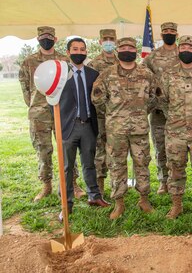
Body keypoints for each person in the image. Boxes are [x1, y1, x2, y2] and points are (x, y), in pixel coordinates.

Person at [92, 37, 156, 220]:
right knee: (116, 165)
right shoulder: (106, 74)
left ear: (135, 51)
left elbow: (155, 97)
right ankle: (119, 203)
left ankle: (144, 199)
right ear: (118, 51)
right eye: (123, 47)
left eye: (130, 47)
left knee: (142, 163)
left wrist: (141, 112)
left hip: (140, 129)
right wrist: (114, 114)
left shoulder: (146, 74)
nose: (126, 50)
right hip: (116, 131)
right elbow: (97, 100)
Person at [18, 26, 84, 202]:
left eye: (49, 36)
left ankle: (73, 184)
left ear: (55, 39)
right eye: (42, 36)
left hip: (62, 112)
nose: (45, 39)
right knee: (43, 150)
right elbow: (26, 88)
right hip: (39, 114)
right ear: (37, 39)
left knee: (67, 148)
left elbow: (72, 85)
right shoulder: (29, 62)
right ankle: (46, 185)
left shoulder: (64, 61)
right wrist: (35, 105)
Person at [158, 35, 192, 221]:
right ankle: (176, 205)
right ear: (178, 50)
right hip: (175, 132)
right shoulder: (168, 75)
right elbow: (162, 101)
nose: (186, 51)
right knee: (175, 169)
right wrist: (175, 117)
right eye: (183, 47)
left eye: (191, 48)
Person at [59, 37, 110, 221]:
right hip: (68, 127)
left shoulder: (92, 74)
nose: (79, 52)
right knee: (67, 167)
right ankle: (66, 204)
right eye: (75, 49)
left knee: (90, 163)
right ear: (68, 52)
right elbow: (52, 102)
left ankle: (94, 196)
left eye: (82, 49)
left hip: (88, 125)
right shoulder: (61, 73)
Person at [142, 22, 179, 195]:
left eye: (172, 31)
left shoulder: (184, 54)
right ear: (161, 34)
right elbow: (142, 77)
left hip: (178, 111)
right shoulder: (152, 57)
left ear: (176, 34)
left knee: (177, 148)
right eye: (166, 31)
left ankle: (176, 180)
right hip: (158, 111)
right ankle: (163, 181)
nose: (169, 33)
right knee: (160, 146)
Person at [87, 29, 119, 195]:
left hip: (119, 117)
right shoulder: (93, 65)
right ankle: (99, 184)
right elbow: (91, 93)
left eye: (111, 39)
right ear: (100, 42)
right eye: (105, 39)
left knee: (116, 150)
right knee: (100, 149)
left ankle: (117, 184)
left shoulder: (122, 62)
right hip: (100, 115)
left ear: (116, 41)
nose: (108, 42)